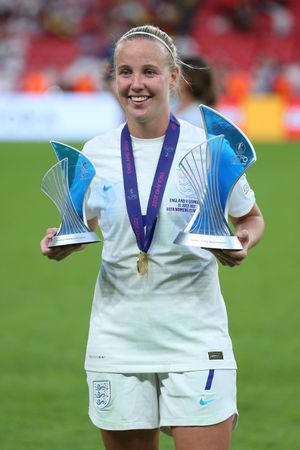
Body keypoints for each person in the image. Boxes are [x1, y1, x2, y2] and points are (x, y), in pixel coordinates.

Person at [40, 24, 264, 450]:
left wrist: (244, 241)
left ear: (173, 77)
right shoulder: (95, 153)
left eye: (149, 72)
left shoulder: (209, 150)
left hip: (195, 338)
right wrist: (61, 240)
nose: (136, 84)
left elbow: (250, 218)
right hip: (117, 339)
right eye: (125, 72)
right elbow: (83, 224)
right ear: (113, 79)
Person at [172, 55, 219, 127]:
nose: (173, 77)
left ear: (187, 80)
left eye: (177, 73)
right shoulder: (171, 104)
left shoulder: (199, 118)